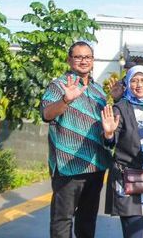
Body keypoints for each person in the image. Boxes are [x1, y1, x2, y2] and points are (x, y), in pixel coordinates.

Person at [40, 41, 110, 238]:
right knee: (62, 219)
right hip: (67, 166)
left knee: (87, 219)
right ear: (69, 60)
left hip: (95, 166)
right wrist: (65, 100)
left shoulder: (98, 91)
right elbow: (46, 114)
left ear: (93, 60)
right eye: (78, 57)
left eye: (87, 57)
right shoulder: (58, 85)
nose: (83, 61)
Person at [100, 65, 143, 238]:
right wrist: (109, 133)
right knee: (136, 233)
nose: (139, 85)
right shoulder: (121, 108)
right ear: (127, 83)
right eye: (134, 80)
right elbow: (110, 142)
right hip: (130, 181)